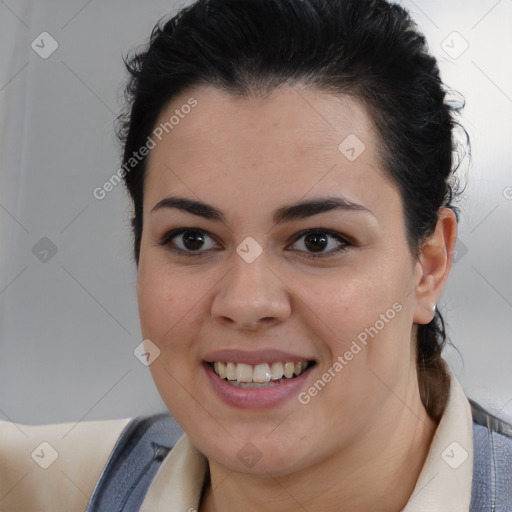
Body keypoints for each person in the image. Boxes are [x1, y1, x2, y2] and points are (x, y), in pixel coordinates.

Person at [1, 0, 511, 510]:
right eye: (192, 239)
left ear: (429, 265)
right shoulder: (46, 490)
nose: (246, 302)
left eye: (318, 241)